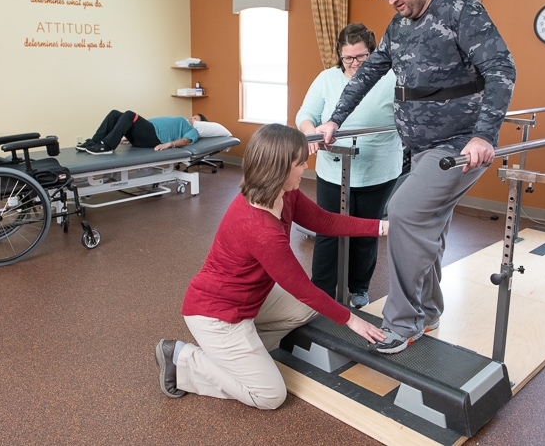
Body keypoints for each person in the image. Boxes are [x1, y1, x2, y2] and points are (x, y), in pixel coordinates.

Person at [316, 0, 516, 354]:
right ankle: (428, 311)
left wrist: (484, 136)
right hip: (420, 147)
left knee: (404, 213)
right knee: (428, 228)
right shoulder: (399, 24)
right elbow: (368, 72)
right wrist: (335, 118)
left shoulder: (460, 10)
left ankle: (402, 323)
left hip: (458, 145)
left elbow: (501, 68)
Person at [154, 123, 386, 408]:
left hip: (250, 301)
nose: (305, 167)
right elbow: (301, 287)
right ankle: (183, 359)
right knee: (269, 396)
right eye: (300, 163)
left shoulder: (283, 193)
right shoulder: (261, 228)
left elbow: (324, 222)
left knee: (309, 307)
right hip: (217, 315)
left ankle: (241, 352)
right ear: (279, 168)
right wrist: (352, 320)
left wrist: (382, 227)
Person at [296, 23, 402, 309]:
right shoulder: (327, 79)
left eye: (361, 57)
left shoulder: (391, 78)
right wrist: (310, 131)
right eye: (348, 58)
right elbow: (306, 113)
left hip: (379, 169)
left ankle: (358, 288)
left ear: (374, 52)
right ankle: (321, 293)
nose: (354, 64)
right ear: (339, 56)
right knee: (328, 231)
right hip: (333, 169)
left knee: (365, 233)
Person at [75, 111, 208, 155]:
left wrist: (169, 144)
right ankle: (94, 142)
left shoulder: (192, 130)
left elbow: (185, 141)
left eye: (195, 118)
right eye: (193, 116)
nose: (191, 118)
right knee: (115, 113)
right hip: (145, 134)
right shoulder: (177, 118)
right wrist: (126, 133)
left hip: (154, 138)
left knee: (129, 114)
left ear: (200, 123)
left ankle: (107, 146)